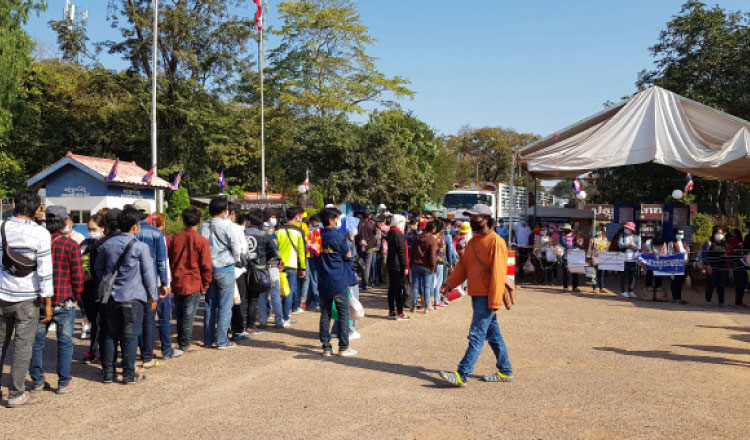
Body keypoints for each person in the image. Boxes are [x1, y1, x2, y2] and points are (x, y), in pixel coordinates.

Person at [439, 204, 511, 387]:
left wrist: (495, 300)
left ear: (486, 219)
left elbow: (498, 273)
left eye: (475, 218)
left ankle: (462, 373)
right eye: (470, 217)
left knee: (476, 335)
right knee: (493, 335)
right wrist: (449, 284)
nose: (472, 221)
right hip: (478, 294)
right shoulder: (473, 241)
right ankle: (505, 370)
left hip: (487, 296)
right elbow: (463, 267)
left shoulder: (497, 242)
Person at [0, 191, 53, 407]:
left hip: (1, 294)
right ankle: (16, 394)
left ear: (14, 206)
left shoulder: (2, 227)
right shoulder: (41, 234)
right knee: (23, 347)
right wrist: (48, 303)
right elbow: (45, 272)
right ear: (37, 209)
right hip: (28, 299)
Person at [95, 207, 158, 384]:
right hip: (133, 297)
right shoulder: (140, 247)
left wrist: (108, 280)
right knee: (130, 336)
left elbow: (98, 269)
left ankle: (108, 372)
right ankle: (129, 374)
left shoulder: (106, 244)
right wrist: (153, 296)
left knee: (109, 335)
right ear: (134, 227)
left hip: (110, 297)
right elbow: (148, 274)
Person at [29, 206, 84, 395]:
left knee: (36, 342)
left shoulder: (36, 243)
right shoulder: (70, 245)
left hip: (40, 300)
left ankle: (37, 380)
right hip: (64, 299)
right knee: (65, 341)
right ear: (63, 222)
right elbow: (78, 275)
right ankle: (63, 382)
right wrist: (76, 296)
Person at [131, 199, 176, 365]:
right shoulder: (157, 234)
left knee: (137, 318)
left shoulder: (130, 232)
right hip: (153, 280)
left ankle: (140, 350)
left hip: (132, 280)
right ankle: (147, 356)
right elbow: (162, 261)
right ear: (149, 215)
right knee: (150, 318)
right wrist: (165, 283)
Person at [200, 197, 242, 348]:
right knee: (225, 306)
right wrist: (236, 259)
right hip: (225, 267)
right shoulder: (228, 226)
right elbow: (236, 246)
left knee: (210, 305)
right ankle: (222, 340)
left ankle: (208, 339)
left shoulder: (204, 226)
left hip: (208, 269)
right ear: (224, 211)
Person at [169, 207, 213, 352]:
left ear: (183, 220)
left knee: (180, 314)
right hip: (193, 281)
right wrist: (206, 282)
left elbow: (170, 260)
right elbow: (206, 264)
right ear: (199, 221)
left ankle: (182, 340)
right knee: (189, 314)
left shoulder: (175, 239)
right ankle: (184, 342)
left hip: (177, 280)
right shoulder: (201, 241)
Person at [317, 208, 357, 357]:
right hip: (339, 279)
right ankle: (344, 347)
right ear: (332, 219)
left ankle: (326, 347)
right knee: (343, 314)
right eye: (337, 218)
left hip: (323, 279)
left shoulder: (317, 236)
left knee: (325, 314)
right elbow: (348, 255)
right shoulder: (338, 237)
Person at [79, 214, 108, 364]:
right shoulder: (85, 244)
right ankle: (94, 348)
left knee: (101, 322)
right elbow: (82, 264)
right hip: (88, 289)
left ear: (103, 228)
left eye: (94, 229)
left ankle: (98, 350)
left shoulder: (107, 243)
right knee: (93, 320)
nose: (90, 231)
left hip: (102, 288)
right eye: (89, 229)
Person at [247, 212, 283, 329]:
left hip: (256, 269)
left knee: (261, 296)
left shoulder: (245, 232)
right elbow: (275, 252)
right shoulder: (269, 233)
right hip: (271, 268)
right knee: (275, 295)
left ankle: (263, 320)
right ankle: (279, 321)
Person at [276, 211, 307, 326]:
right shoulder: (298, 232)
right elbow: (302, 252)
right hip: (292, 265)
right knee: (289, 292)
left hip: (279, 265)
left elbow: (275, 248)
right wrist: (303, 267)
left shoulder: (278, 231)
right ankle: (286, 317)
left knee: (279, 292)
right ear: (295, 217)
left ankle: (279, 317)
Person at [411, 221, 438, 313]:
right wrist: (433, 266)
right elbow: (432, 255)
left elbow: (412, 252)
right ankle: (426, 308)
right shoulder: (432, 239)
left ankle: (414, 306)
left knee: (415, 286)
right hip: (426, 265)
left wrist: (411, 263)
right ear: (433, 229)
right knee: (426, 287)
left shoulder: (416, 237)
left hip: (415, 264)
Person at [386, 214, 410, 320]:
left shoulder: (390, 232)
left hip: (391, 263)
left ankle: (392, 311)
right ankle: (400, 312)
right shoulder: (398, 234)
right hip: (398, 265)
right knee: (399, 289)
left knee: (392, 288)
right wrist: (405, 266)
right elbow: (402, 252)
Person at [700, 226, 729, 307]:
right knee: (711, 284)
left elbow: (727, 254)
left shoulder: (724, 243)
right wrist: (707, 266)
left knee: (721, 284)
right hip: (712, 267)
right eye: (718, 233)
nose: (720, 235)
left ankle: (721, 302)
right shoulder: (709, 243)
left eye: (722, 233)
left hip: (722, 267)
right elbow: (704, 255)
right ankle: (708, 301)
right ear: (714, 234)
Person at [618, 222, 641, 298]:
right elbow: (620, 245)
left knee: (632, 276)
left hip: (633, 259)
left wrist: (631, 246)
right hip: (623, 259)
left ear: (631, 229)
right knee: (623, 276)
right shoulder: (622, 235)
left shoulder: (637, 237)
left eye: (627, 228)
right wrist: (629, 245)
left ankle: (630, 291)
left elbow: (638, 247)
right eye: (625, 228)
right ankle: (623, 291)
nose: (626, 229)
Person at [667, 229, 690, 304]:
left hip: (683, 265)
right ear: (675, 234)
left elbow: (687, 252)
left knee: (680, 282)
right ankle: (675, 298)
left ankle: (679, 298)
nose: (680, 235)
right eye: (679, 234)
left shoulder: (685, 243)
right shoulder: (671, 243)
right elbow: (670, 254)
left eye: (682, 234)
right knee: (674, 281)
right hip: (675, 265)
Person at [305, 215, 322, 311]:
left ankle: (315, 301)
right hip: (321, 256)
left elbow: (309, 244)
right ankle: (318, 299)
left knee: (313, 278)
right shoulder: (323, 229)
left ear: (314, 221)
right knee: (318, 278)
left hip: (312, 256)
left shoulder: (311, 230)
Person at [357, 212, 378, 290]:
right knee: (367, 266)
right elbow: (375, 233)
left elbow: (357, 235)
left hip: (360, 247)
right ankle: (365, 284)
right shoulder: (371, 224)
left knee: (362, 265)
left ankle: (363, 282)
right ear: (368, 217)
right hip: (368, 247)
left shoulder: (358, 224)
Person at [727, 228, 747, 307]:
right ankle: (738, 302)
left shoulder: (738, 242)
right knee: (740, 285)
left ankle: (739, 302)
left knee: (740, 285)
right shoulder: (737, 242)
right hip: (738, 266)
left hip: (740, 266)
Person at [559, 224, 581, 292]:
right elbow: (565, 245)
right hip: (565, 256)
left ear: (570, 230)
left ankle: (575, 287)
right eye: (564, 230)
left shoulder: (574, 237)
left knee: (575, 271)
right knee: (566, 272)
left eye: (566, 230)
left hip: (574, 255)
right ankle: (565, 287)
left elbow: (579, 245)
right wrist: (574, 249)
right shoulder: (562, 237)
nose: (565, 231)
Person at [589, 225, 609, 293]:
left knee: (601, 274)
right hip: (594, 258)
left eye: (599, 230)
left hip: (602, 258)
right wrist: (589, 258)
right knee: (594, 274)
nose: (598, 232)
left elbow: (606, 248)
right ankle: (594, 288)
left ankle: (601, 288)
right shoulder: (593, 239)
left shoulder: (605, 239)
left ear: (602, 231)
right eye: (597, 230)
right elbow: (589, 249)